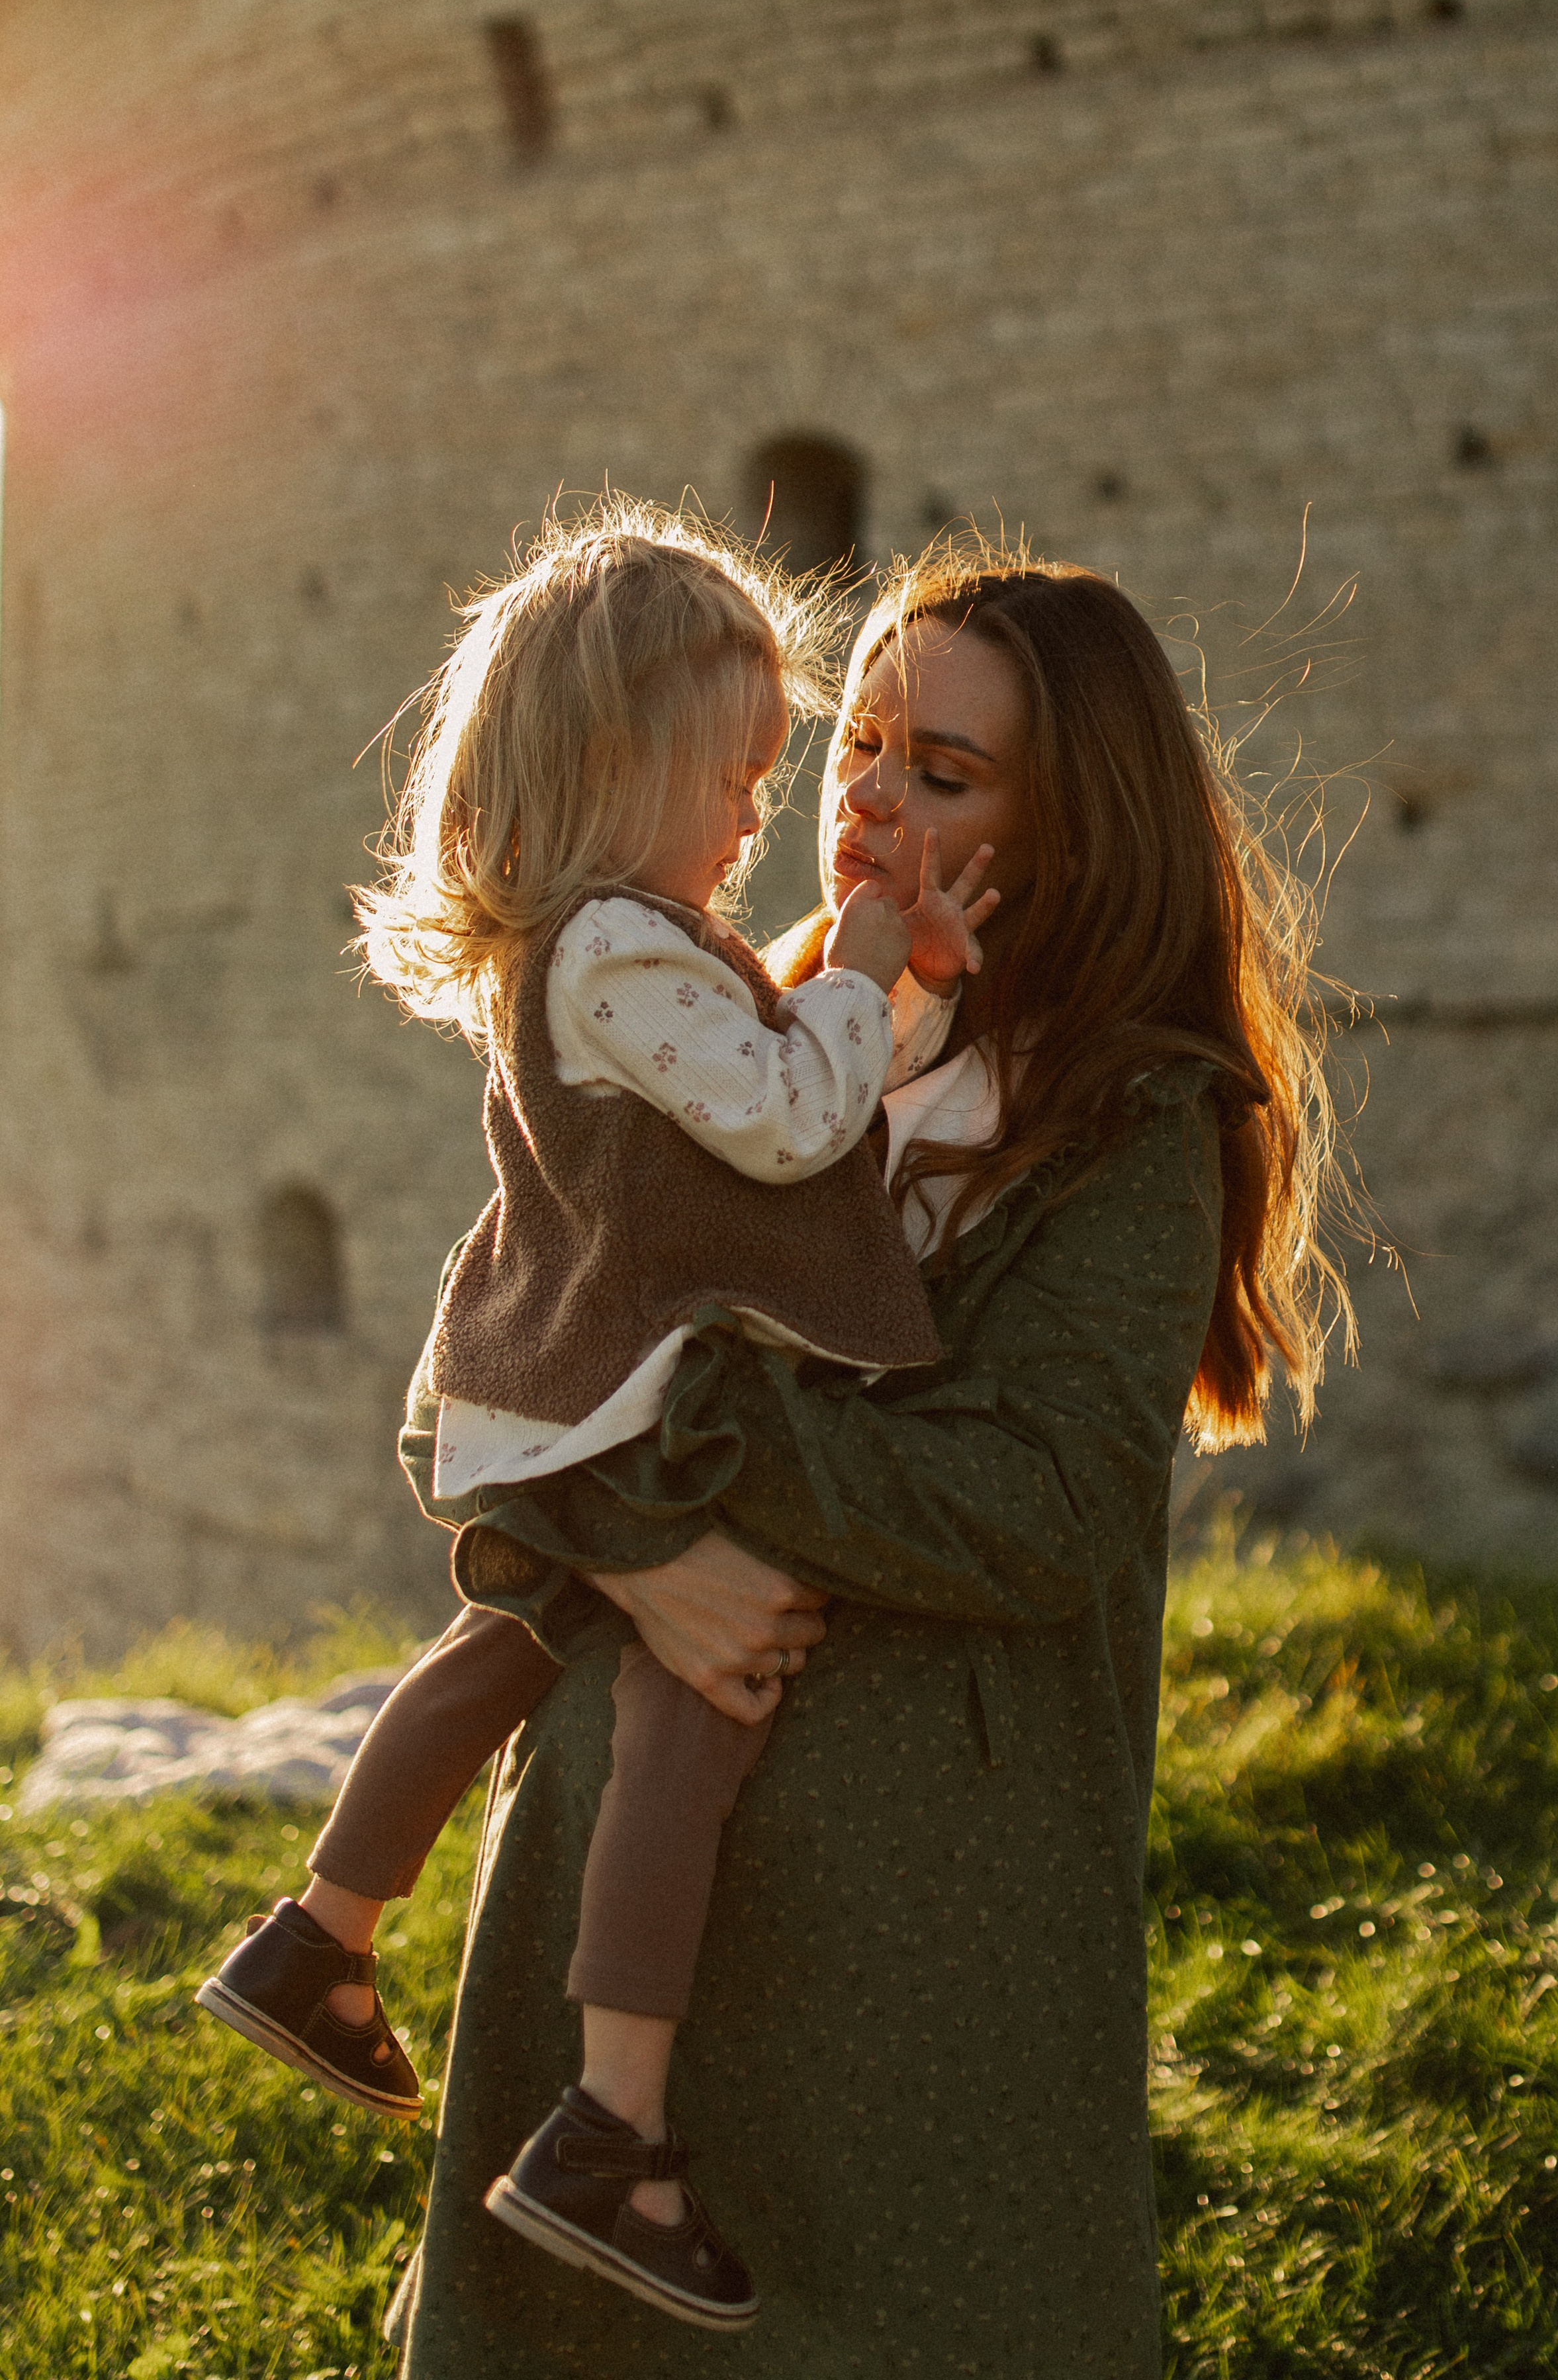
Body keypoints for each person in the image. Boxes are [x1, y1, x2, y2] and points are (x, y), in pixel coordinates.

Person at [385, 541, 1352, 2379]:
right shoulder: (725, 1023)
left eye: (947, 773)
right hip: (609, 1902)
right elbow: (475, 1383)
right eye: (863, 747)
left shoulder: (1132, 1121)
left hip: (911, 1950)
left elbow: (1040, 1511)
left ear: (1068, 833)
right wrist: (636, 1544)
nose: (869, 797)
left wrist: (678, 1443)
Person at [195, 500, 1001, 2329]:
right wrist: (867, 976)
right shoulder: (620, 949)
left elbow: (777, 1084)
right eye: (734, 773)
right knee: (688, 1722)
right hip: (625, 1387)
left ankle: (319, 1937)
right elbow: (796, 1120)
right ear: (620, 764)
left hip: (571, 1381)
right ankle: (610, 2128)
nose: (752, 814)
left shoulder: (615, 945)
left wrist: (892, 974)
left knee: (507, 1646)